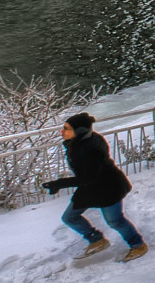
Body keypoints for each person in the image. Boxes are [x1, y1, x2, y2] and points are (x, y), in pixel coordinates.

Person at [44, 112, 149, 262]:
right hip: (91, 187)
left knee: (115, 221)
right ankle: (97, 240)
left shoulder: (91, 148)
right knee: (69, 217)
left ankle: (138, 245)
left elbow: (89, 177)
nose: (62, 132)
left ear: (78, 131)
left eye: (66, 128)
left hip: (108, 188)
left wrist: (60, 183)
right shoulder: (78, 142)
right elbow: (87, 178)